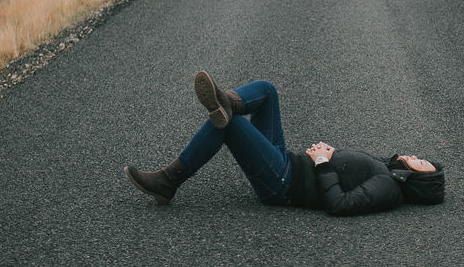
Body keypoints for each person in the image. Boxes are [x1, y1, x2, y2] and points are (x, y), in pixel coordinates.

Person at [124, 72, 445, 216]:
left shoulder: (390, 190)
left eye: (422, 163)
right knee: (267, 91)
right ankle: (227, 100)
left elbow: (341, 205)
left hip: (283, 182)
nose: (417, 156)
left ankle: (169, 180)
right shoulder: (388, 172)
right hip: (286, 161)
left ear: (420, 180)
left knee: (229, 125)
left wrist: (322, 161)